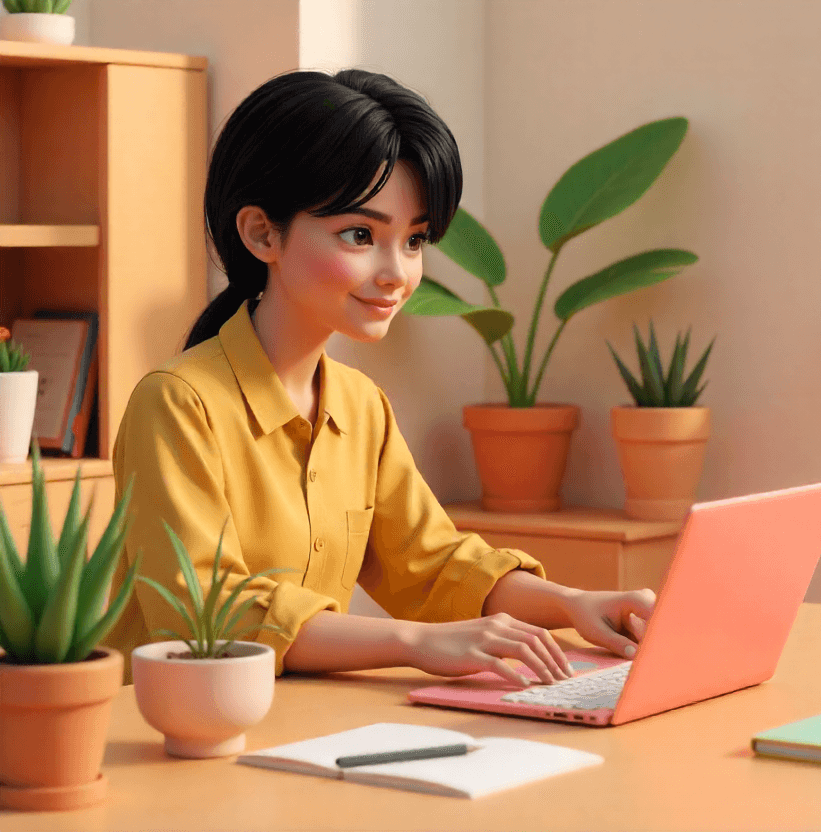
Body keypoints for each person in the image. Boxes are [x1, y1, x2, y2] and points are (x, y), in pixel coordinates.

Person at [103, 68, 653, 687]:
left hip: (303, 720)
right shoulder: (177, 404)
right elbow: (207, 614)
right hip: (170, 730)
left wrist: (574, 605)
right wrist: (415, 642)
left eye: (414, 240)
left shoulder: (360, 406)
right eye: (361, 234)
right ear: (262, 233)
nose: (397, 273)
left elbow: (434, 566)